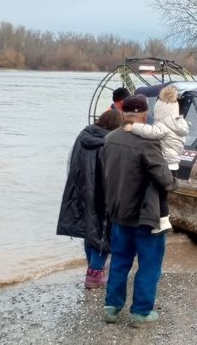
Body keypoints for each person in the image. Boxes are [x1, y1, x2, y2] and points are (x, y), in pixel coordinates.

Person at [102, 94, 178, 327]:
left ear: (123, 113)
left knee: (120, 261)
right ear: (145, 115)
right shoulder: (147, 142)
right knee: (149, 264)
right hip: (146, 216)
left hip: (118, 213)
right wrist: (174, 183)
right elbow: (164, 179)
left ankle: (112, 308)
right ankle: (141, 312)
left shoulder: (110, 138)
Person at [56, 110, 123, 289]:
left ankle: (92, 269)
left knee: (88, 231)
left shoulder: (83, 136)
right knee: (103, 233)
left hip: (80, 192)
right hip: (102, 195)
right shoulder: (109, 142)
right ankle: (94, 274)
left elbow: (71, 161)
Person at [124, 85, 188, 234]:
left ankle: (162, 221)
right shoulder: (180, 125)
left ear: (160, 112)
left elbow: (150, 131)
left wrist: (133, 127)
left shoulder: (163, 126)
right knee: (162, 195)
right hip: (174, 165)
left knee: (158, 195)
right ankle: (164, 220)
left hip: (165, 164)